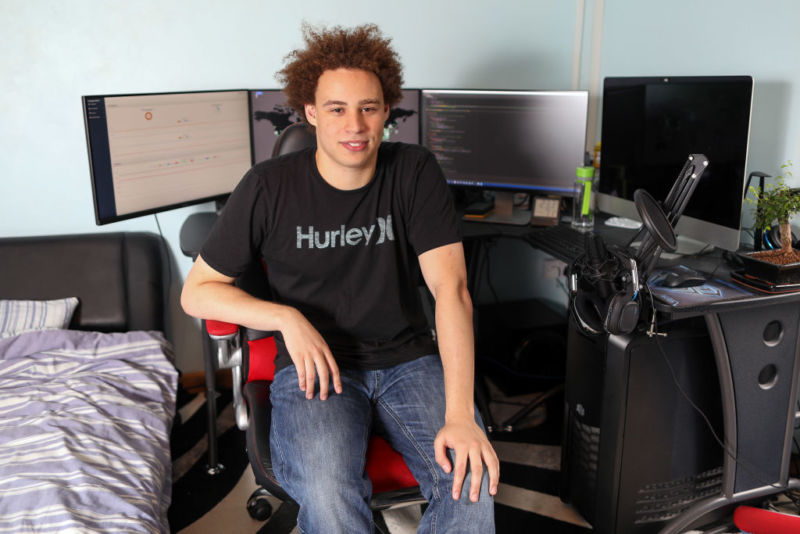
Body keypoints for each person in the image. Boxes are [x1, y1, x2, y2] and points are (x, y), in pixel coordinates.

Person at [181, 23, 499, 533]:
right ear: (310, 113)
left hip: (408, 361)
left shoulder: (414, 171)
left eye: (368, 108)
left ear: (387, 111)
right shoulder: (268, 186)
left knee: (469, 479)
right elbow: (197, 293)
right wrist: (287, 318)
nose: (355, 125)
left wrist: (461, 413)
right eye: (336, 108)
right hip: (315, 368)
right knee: (329, 496)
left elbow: (452, 290)